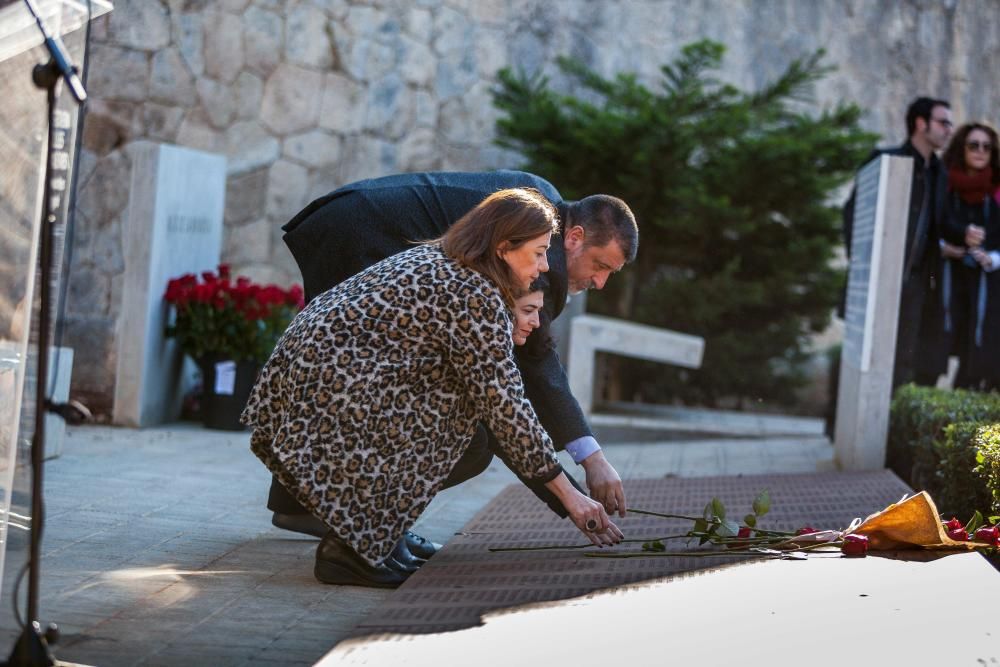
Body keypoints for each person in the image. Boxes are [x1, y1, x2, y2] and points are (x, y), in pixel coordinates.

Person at [242, 189, 623, 588]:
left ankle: (377, 533)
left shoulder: (451, 260)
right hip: (324, 393)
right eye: (539, 251)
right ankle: (350, 550)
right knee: (456, 418)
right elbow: (507, 408)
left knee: (461, 414)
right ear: (504, 247)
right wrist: (571, 498)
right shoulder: (476, 295)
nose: (545, 265)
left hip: (302, 386)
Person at [842, 97, 953, 388]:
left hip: (916, 283)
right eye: (943, 122)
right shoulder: (885, 160)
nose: (949, 130)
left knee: (904, 356)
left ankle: (889, 427)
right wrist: (861, 265)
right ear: (921, 123)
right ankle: (839, 424)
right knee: (862, 352)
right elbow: (854, 213)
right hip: (878, 277)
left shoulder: (941, 175)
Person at [927, 123, 1000, 389]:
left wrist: (993, 257)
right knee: (938, 348)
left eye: (986, 146)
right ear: (962, 149)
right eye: (973, 145)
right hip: (946, 280)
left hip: (984, 286)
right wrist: (948, 243)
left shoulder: (996, 194)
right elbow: (931, 225)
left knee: (977, 357)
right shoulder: (944, 185)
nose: (980, 151)